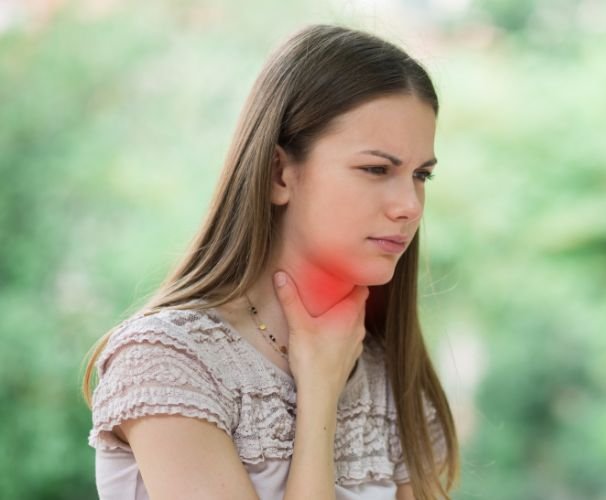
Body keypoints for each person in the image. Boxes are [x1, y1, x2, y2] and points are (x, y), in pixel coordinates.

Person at [82, 23, 459, 500]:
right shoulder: (169, 362)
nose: (409, 206)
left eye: (422, 175)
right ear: (279, 173)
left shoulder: (393, 379)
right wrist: (319, 390)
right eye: (376, 169)